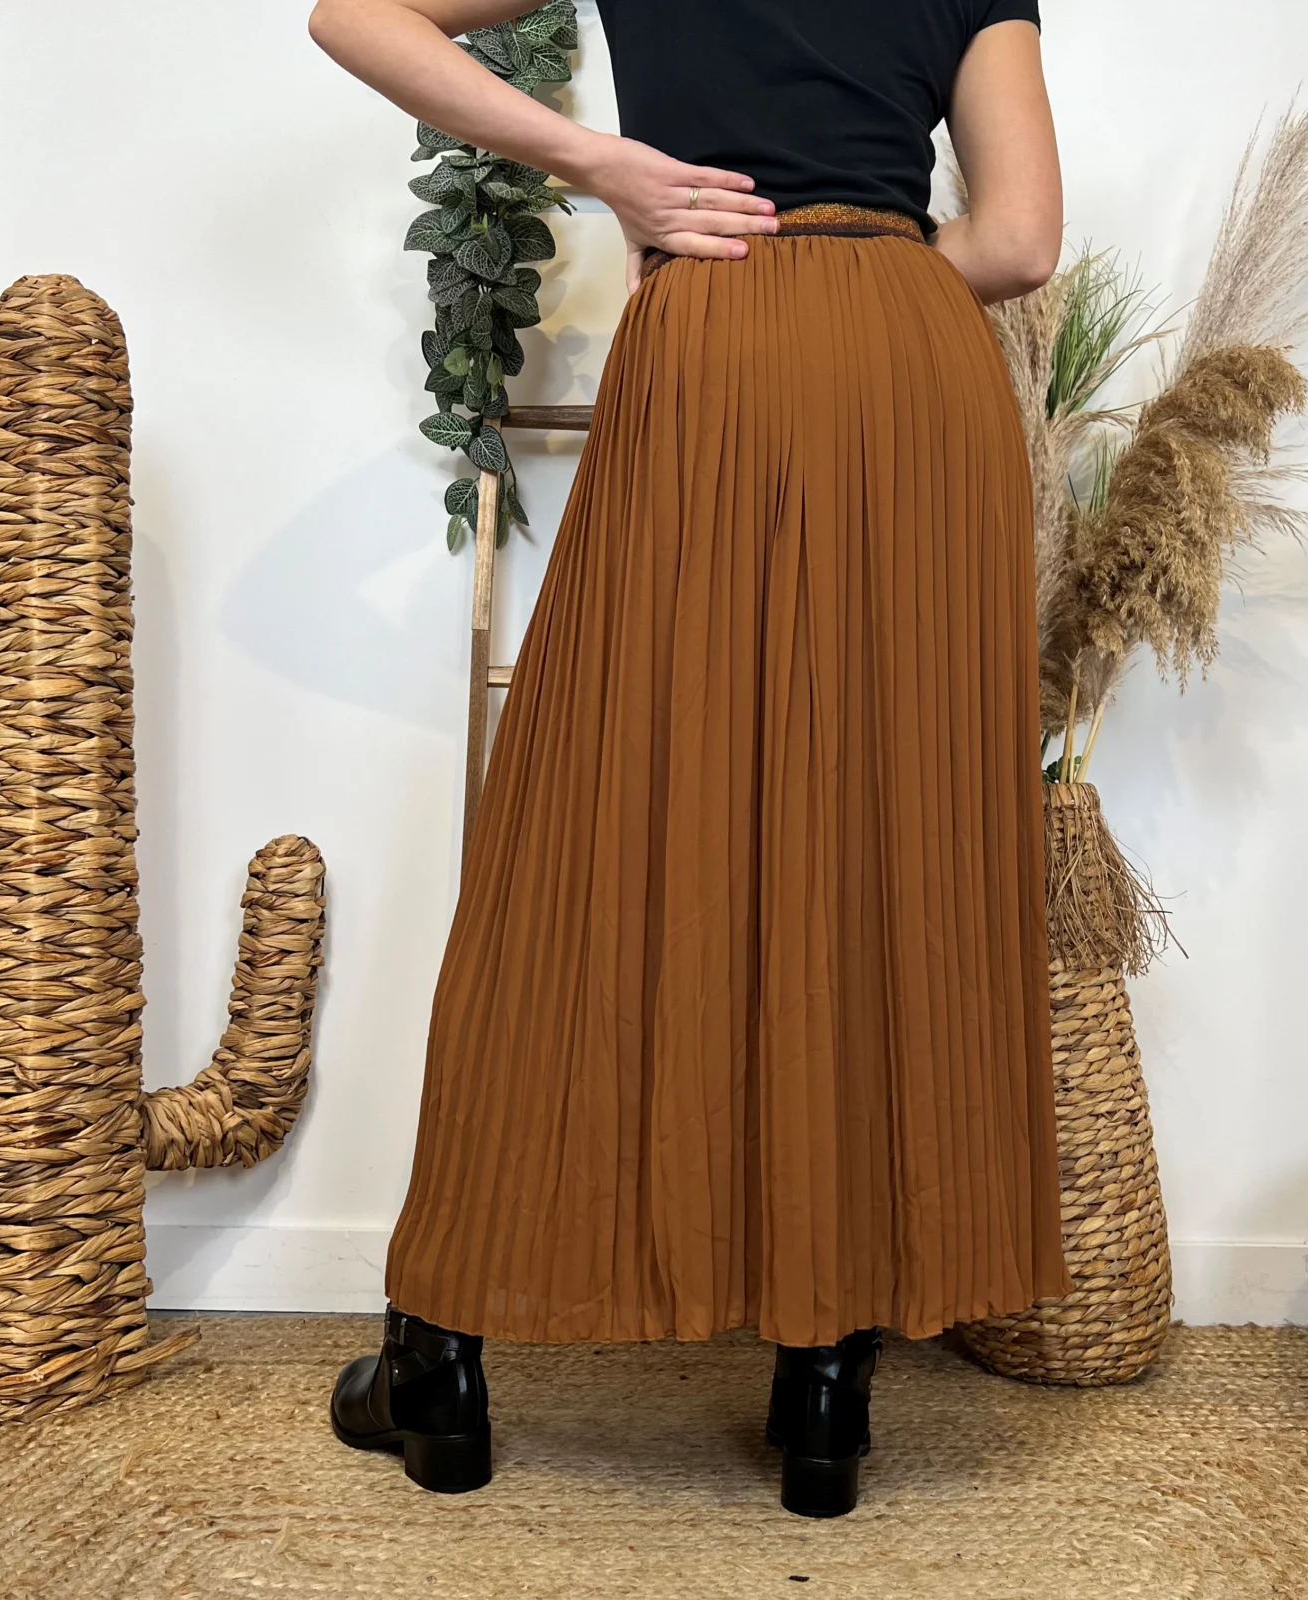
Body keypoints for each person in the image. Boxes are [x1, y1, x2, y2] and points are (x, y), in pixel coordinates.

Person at [308, 0, 1070, 1519]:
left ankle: (441, 1362)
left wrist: (606, 166)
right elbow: (1019, 239)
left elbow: (353, 16)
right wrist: (868, 275)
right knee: (879, 842)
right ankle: (828, 1382)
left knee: (589, 825)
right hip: (915, 375)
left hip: (718, 338)